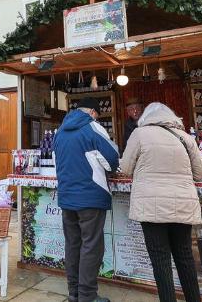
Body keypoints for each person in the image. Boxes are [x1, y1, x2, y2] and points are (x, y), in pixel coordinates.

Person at [119, 103, 202, 302]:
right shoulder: (185, 137)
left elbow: (125, 168)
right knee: (185, 257)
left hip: (151, 207)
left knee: (161, 262)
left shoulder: (139, 134)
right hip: (183, 205)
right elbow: (201, 173)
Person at [54, 97, 120, 302]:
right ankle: (88, 296)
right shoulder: (93, 127)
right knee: (91, 246)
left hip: (67, 196)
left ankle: (73, 293)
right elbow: (112, 160)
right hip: (91, 195)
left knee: (73, 244)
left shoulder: (60, 131)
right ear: (93, 112)